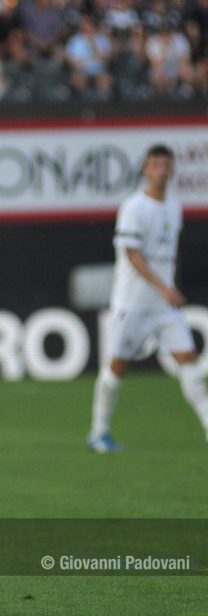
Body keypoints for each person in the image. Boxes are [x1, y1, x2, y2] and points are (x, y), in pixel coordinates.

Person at [88, 144, 208, 453]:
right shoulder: (134, 207)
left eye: (166, 164)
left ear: (173, 170)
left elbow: (170, 255)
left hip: (163, 307)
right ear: (145, 170)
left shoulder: (174, 207)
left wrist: (170, 288)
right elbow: (132, 255)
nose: (161, 170)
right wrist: (163, 287)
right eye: (155, 164)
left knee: (190, 363)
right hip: (134, 304)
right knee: (117, 367)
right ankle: (99, 431)